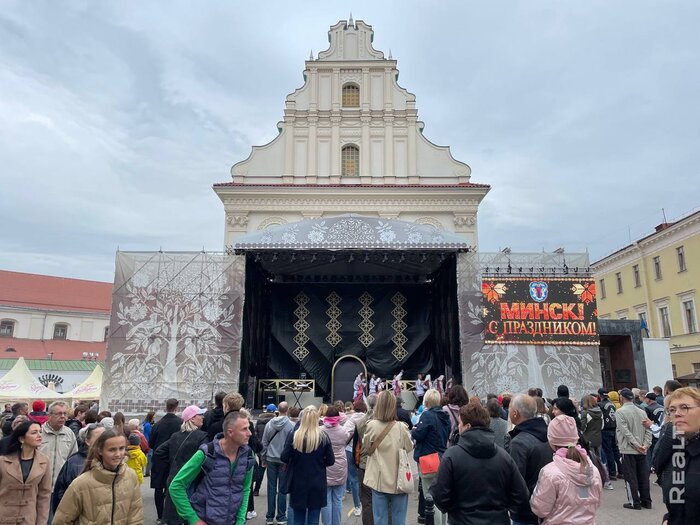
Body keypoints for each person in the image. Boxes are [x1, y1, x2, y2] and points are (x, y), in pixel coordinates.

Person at [431, 402, 529, 524]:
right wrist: (502, 506)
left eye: (460, 423)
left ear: (467, 426)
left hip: (462, 519)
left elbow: (440, 495)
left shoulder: (452, 456)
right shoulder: (504, 457)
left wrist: (455, 507)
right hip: (497, 519)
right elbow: (520, 494)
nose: (458, 427)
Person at [169, 410, 254, 525]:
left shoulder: (248, 456)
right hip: (205, 519)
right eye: (244, 429)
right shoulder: (207, 453)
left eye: (248, 428)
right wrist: (193, 519)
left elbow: (245, 489)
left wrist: (240, 521)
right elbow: (176, 486)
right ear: (230, 432)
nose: (249, 433)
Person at [53, 429, 144, 524]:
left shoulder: (131, 476)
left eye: (121, 448)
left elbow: (135, 516)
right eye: (112, 450)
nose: (118, 454)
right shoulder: (81, 484)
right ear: (100, 451)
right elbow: (62, 520)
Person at [530, 415, 602, 524]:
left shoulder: (549, 472)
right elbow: (596, 502)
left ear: (551, 439)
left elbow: (540, 509)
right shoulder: (592, 469)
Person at [362, 390, 414, 525]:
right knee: (399, 519)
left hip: (379, 478)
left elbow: (366, 448)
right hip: (399, 478)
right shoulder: (402, 428)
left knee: (379, 519)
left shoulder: (371, 426)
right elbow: (409, 447)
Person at [653, 386, 700, 524]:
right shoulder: (678, 451)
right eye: (672, 410)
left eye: (684, 407)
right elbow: (678, 500)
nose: (677, 414)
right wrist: (669, 518)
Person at [281, 406, 335, 525]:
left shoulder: (294, 435)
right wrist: (320, 463)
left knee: (298, 519)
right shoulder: (323, 437)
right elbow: (331, 461)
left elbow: (284, 457)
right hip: (317, 481)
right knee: (313, 520)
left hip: (297, 482)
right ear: (317, 419)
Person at [158, 404, 208, 525]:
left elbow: (159, 451)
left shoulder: (175, 436)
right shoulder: (202, 436)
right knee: (190, 517)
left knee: (174, 518)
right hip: (192, 481)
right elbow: (205, 458)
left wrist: (173, 463)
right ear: (192, 419)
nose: (203, 417)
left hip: (174, 478)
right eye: (200, 415)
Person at [507, 394, 553, 525]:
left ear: (515, 413)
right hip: (548, 503)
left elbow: (516, 480)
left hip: (526, 511)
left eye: (510, 408)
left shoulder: (519, 442)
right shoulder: (549, 434)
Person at [0, 421, 52, 524]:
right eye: (34, 432)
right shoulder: (3, 461)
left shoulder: (44, 461)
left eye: (40, 432)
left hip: (28, 519)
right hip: (3, 517)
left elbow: (44, 495)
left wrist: (41, 522)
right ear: (22, 439)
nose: (39, 435)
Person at [412, 389, 450, 525]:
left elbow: (418, 435)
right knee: (440, 496)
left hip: (428, 460)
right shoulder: (444, 416)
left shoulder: (427, 416)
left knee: (430, 497)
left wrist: (413, 430)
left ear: (426, 402)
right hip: (442, 457)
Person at [52, 422, 105, 513]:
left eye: (105, 437)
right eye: (99, 438)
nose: (103, 441)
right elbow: (61, 495)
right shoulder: (74, 463)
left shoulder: (112, 460)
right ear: (87, 441)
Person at [616, 387, 653, 510]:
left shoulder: (620, 412)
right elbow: (648, 429)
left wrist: (636, 445)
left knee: (630, 476)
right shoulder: (642, 411)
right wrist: (645, 445)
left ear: (622, 398)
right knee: (643, 476)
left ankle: (634, 502)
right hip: (642, 448)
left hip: (628, 449)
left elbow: (625, 432)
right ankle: (646, 501)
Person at [150, 398, 183, 524]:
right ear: (176, 407)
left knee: (158, 488)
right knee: (173, 487)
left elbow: (151, 443)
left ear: (166, 407)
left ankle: (160, 516)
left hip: (159, 460)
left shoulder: (157, 424)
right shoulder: (180, 423)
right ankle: (171, 515)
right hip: (174, 459)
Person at [262, 401, 295, 525]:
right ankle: (281, 516)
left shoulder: (269, 424)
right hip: (284, 461)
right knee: (282, 488)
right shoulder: (291, 426)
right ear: (287, 410)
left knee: (271, 488)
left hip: (271, 459)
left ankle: (269, 517)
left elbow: (264, 442)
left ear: (278, 410)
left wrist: (264, 459)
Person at [321, 406, 351, 525]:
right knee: (338, 499)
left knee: (326, 500)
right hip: (340, 466)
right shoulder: (344, 431)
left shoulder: (320, 431)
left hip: (325, 466)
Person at [39, 400, 78, 492]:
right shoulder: (39, 432)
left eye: (65, 414)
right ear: (49, 415)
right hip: (40, 484)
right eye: (59, 414)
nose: (63, 417)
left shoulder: (69, 433)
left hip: (61, 485)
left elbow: (73, 458)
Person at [581, 394, 612, 490]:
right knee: (599, 459)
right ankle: (606, 480)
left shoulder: (585, 413)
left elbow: (583, 427)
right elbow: (602, 426)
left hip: (587, 438)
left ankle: (592, 481)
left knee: (589, 460)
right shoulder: (600, 412)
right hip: (598, 437)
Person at [356, 394, 377, 525]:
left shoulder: (360, 422)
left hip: (364, 462)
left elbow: (356, 444)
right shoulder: (382, 420)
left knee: (366, 500)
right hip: (379, 462)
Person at [598, 388, 622, 480]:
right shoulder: (612, 404)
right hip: (614, 428)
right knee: (616, 450)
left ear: (600, 395)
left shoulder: (600, 405)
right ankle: (621, 471)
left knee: (608, 451)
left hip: (605, 429)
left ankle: (612, 472)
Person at [254, 403, 277, 497]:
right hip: (273, 449)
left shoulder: (259, 421)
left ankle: (256, 490)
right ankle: (273, 490)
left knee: (261, 468)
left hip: (261, 448)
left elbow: (256, 435)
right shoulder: (276, 422)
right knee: (273, 471)